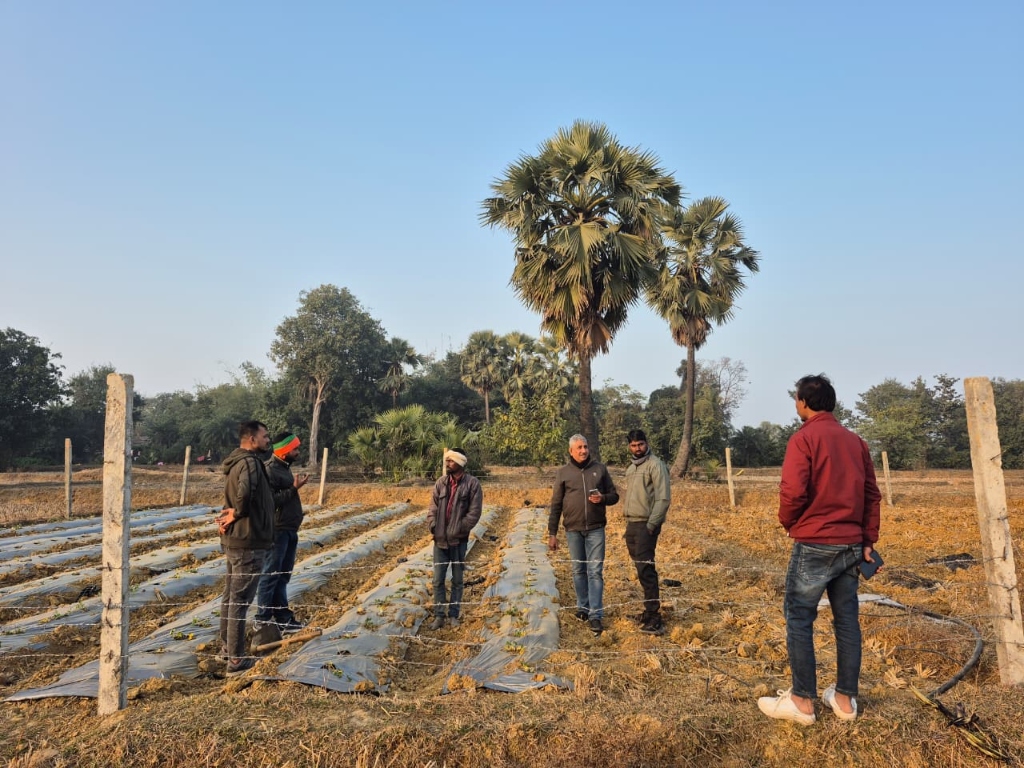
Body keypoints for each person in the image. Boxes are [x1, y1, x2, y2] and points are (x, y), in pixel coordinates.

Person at [758, 375, 882, 725]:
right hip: (852, 544)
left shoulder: (803, 439)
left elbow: (793, 492)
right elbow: (872, 494)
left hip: (815, 542)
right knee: (847, 621)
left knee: (799, 618)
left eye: (796, 400)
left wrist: (789, 523)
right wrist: (868, 539)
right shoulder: (856, 442)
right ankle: (844, 701)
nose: (795, 405)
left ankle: (802, 701)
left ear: (803, 402)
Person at [216, 420, 276, 676]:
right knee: (240, 600)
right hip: (248, 541)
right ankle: (237, 661)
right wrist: (237, 513)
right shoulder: (251, 463)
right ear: (251, 439)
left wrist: (231, 515)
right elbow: (246, 492)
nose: (267, 440)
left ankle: (227, 650)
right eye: (264, 436)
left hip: (236, 540)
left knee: (231, 597)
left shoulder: (235, 462)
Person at [548, 434, 619, 636]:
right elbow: (556, 505)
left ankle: (596, 614)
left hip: (596, 528)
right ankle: (583, 607)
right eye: (579, 448)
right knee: (578, 570)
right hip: (573, 529)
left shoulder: (600, 469)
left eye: (585, 447)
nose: (583, 451)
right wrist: (552, 533)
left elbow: (614, 496)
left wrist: (603, 498)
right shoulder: (563, 473)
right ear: (571, 451)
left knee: (595, 571)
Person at [253, 432, 310, 634]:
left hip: (289, 529)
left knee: (282, 576)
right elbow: (270, 502)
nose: (298, 452)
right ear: (284, 451)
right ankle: (263, 619)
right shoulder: (270, 471)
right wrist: (294, 488)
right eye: (295, 449)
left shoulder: (284, 469)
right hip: (277, 531)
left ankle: (284, 619)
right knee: (270, 575)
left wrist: (294, 488)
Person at [426, 448, 482, 630]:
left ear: (460, 463)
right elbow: (432, 508)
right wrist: (434, 526)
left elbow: (474, 513)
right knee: (437, 580)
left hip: (459, 541)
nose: (447, 463)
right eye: (447, 460)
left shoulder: (472, 484)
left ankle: (454, 615)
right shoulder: (441, 483)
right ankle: (439, 615)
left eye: (451, 460)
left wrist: (458, 529)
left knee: (457, 580)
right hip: (440, 540)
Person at [621, 429, 671, 635]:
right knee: (641, 569)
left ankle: (655, 617)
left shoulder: (655, 465)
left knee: (646, 569)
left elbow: (663, 498)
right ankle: (648, 611)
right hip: (632, 524)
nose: (637, 448)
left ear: (646, 443)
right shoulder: (631, 468)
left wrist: (652, 525)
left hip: (646, 524)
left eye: (640, 444)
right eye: (633, 445)